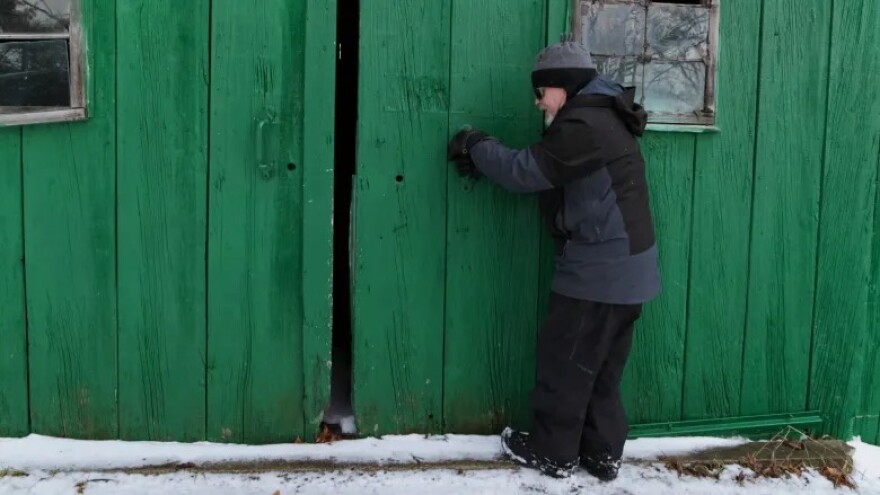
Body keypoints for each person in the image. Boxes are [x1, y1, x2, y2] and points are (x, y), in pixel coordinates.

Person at [446, 41, 661, 480]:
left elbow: (525, 172)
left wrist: (476, 144)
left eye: (542, 91)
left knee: (565, 363)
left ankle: (553, 452)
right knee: (599, 368)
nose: (538, 101)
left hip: (599, 271)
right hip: (629, 270)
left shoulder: (586, 122)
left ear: (562, 87)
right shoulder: (602, 114)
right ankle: (601, 454)